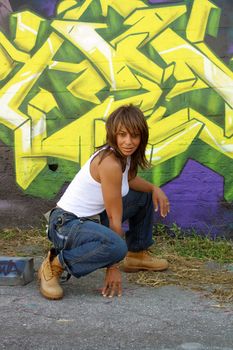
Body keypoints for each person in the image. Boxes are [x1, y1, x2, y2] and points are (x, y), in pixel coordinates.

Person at [38, 104, 170, 300]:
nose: (128, 141)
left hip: (90, 221)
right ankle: (55, 264)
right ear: (113, 135)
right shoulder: (109, 163)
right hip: (66, 225)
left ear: (141, 137)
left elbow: (130, 181)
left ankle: (137, 255)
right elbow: (114, 219)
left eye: (134, 135)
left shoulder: (124, 157)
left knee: (143, 196)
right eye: (122, 135)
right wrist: (113, 264)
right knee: (116, 246)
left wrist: (153, 188)